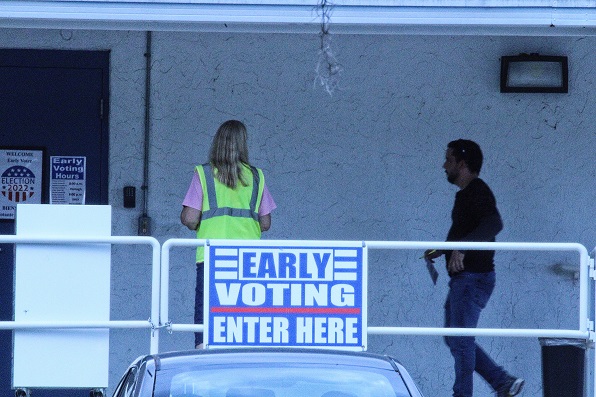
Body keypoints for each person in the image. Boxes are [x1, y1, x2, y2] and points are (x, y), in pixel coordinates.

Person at [423, 139, 524, 397]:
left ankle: (465, 394)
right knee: (455, 337)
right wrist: (438, 251)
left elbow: (494, 224)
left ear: (462, 163)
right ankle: (502, 382)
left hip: (473, 279)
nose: (443, 165)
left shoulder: (478, 191)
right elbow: (460, 234)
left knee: (462, 339)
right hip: (465, 280)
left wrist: (463, 247)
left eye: (448, 160)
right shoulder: (466, 195)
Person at [180, 119, 276, 349]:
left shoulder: (203, 174)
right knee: (246, 315)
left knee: (207, 317)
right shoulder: (257, 177)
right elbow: (265, 222)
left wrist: (199, 223)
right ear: (243, 144)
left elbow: (190, 218)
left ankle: (204, 354)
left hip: (213, 257)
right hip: (250, 258)